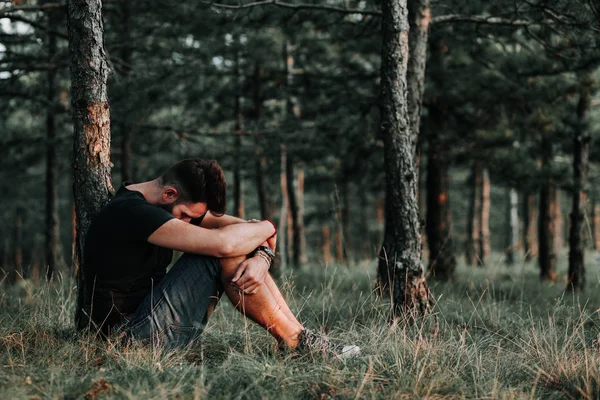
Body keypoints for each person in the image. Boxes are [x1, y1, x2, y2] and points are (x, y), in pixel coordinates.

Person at [83, 159, 359, 358]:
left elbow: (245, 232)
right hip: (125, 338)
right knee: (222, 252)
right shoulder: (133, 212)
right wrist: (269, 227)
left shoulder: (167, 205)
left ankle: (301, 338)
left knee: (236, 244)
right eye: (187, 216)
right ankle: (298, 344)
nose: (190, 222)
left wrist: (262, 256)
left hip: (148, 323)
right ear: (169, 194)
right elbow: (227, 244)